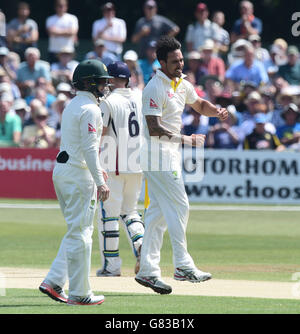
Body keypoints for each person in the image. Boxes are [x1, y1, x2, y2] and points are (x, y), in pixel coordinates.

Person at [135, 36, 228, 294]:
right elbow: (153, 128)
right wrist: (185, 138)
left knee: (158, 214)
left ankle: (148, 270)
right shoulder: (154, 87)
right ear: (162, 62)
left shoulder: (181, 83)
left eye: (181, 59)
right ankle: (182, 265)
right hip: (157, 154)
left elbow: (199, 104)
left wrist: (216, 110)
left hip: (168, 153)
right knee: (180, 205)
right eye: (175, 61)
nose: (180, 64)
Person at [39, 59, 111, 306]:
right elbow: (90, 148)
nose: (105, 87)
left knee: (77, 230)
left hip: (64, 170)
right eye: (101, 82)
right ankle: (80, 293)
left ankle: (54, 281)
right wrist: (100, 180)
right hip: (79, 175)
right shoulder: (90, 109)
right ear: (89, 83)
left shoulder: (74, 104)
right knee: (81, 233)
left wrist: (99, 172)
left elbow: (82, 146)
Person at [96, 61, 144, 277]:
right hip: (137, 164)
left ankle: (112, 265)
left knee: (109, 216)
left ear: (115, 79)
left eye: (109, 79)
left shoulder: (108, 102)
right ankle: (142, 244)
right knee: (131, 212)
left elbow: (102, 133)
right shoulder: (139, 97)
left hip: (113, 165)